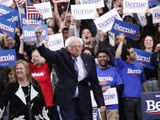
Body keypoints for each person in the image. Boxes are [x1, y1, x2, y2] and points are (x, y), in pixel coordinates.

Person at [35, 27, 105, 120]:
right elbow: (48, 54)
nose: (77, 49)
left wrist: (101, 104)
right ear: (67, 48)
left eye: (79, 46)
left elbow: (94, 83)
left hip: (84, 100)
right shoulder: (62, 56)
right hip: (66, 100)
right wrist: (39, 40)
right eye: (74, 46)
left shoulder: (88, 59)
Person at [115, 35, 148, 120]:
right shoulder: (122, 65)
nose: (135, 53)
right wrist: (121, 42)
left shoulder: (139, 65)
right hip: (127, 99)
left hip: (140, 98)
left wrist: (147, 94)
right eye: (132, 52)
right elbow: (117, 56)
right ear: (127, 56)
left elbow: (143, 81)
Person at [96, 49, 124, 120]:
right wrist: (99, 88)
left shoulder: (114, 70)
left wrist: (109, 87)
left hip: (112, 106)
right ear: (97, 59)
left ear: (108, 58)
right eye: (100, 57)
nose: (102, 58)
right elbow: (88, 87)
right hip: (98, 106)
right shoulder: (94, 71)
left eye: (104, 56)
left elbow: (120, 87)